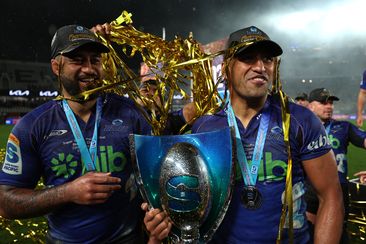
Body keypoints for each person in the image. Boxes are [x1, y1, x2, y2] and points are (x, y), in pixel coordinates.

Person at [143, 26, 344, 243]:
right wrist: (161, 219)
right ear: (227, 68)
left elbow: (330, 195)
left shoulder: (301, 120)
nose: (260, 67)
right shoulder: (204, 127)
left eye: (267, 59)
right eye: (247, 58)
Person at [0, 24, 154, 243]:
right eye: (77, 60)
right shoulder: (33, 126)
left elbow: (154, 177)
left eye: (95, 60)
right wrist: (68, 192)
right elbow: (5, 202)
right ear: (56, 66)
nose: (89, 68)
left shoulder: (131, 114)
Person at [307, 87, 366, 243]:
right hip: (308, 190)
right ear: (310, 105)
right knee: (307, 235)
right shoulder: (301, 128)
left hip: (338, 190)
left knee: (337, 237)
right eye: (324, 102)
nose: (329, 106)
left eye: (331, 103)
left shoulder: (344, 127)